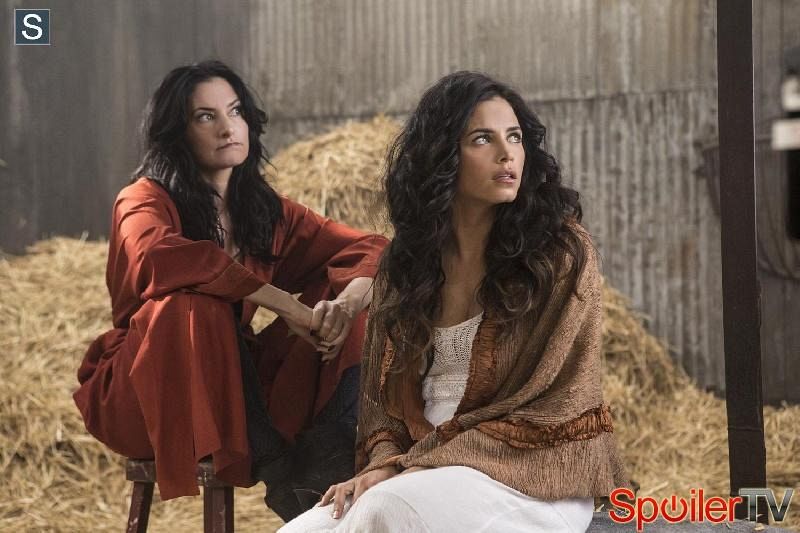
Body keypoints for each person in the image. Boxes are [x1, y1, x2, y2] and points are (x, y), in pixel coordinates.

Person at [280, 71, 629, 532]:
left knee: (386, 510)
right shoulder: (406, 265)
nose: (507, 153)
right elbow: (381, 407)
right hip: (418, 467)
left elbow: (552, 402)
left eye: (515, 137)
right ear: (442, 155)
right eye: (483, 139)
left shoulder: (559, 254)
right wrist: (387, 462)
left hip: (529, 471)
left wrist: (413, 467)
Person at [72, 60, 388, 521]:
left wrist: (344, 304)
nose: (227, 127)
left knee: (358, 302)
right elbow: (164, 259)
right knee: (191, 302)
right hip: (145, 388)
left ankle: (328, 454)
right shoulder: (141, 200)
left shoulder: (263, 211)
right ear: (177, 132)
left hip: (233, 389)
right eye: (206, 116)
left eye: (235, 111)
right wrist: (286, 305)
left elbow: (371, 248)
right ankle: (276, 465)